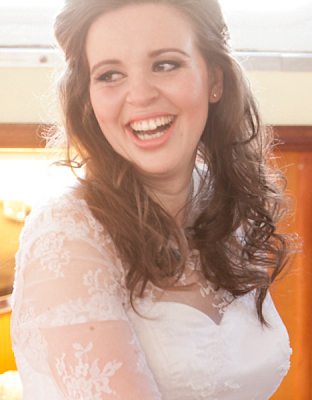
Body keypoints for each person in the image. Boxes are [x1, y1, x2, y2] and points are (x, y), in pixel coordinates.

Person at [10, 0, 294, 398]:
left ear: (215, 78)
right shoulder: (68, 235)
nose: (140, 95)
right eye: (110, 74)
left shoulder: (220, 203)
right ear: (88, 98)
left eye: (165, 64)